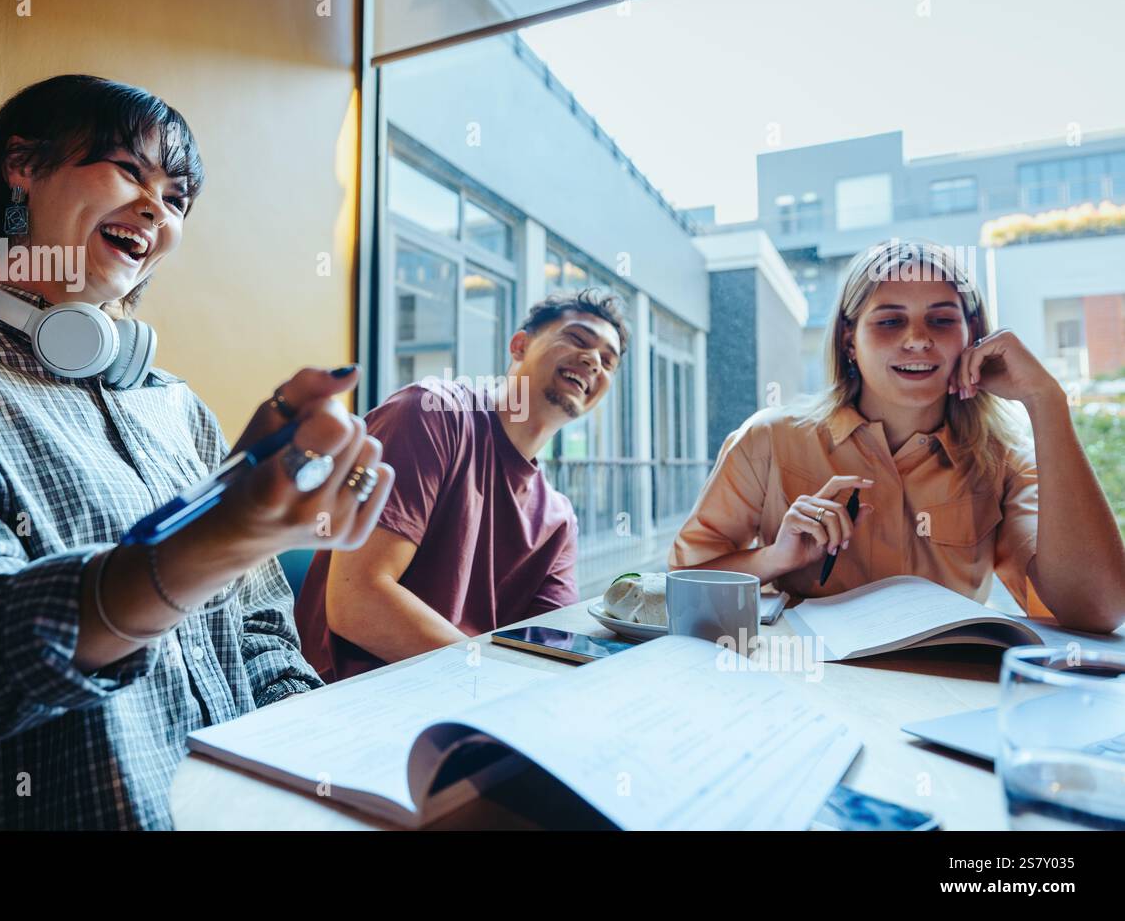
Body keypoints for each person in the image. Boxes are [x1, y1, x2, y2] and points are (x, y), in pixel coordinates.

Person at [0, 75, 394, 829]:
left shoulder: (177, 408)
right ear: (23, 166)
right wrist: (207, 541)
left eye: (178, 195)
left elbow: (259, 631)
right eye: (130, 169)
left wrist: (327, 778)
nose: (158, 206)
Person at [669, 238, 1125, 633]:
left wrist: (1046, 402)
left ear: (973, 336)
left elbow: (1097, 611)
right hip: (809, 687)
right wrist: (773, 559)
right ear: (849, 340)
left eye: (942, 320)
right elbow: (683, 584)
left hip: (940, 696)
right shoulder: (768, 440)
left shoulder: (1004, 459)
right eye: (889, 321)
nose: (917, 340)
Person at [296, 288, 630, 681]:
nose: (594, 361)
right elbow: (357, 602)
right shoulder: (431, 415)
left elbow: (548, 648)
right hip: (348, 696)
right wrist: (492, 681)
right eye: (577, 339)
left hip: (464, 703)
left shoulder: (558, 519)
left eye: (608, 362)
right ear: (520, 345)